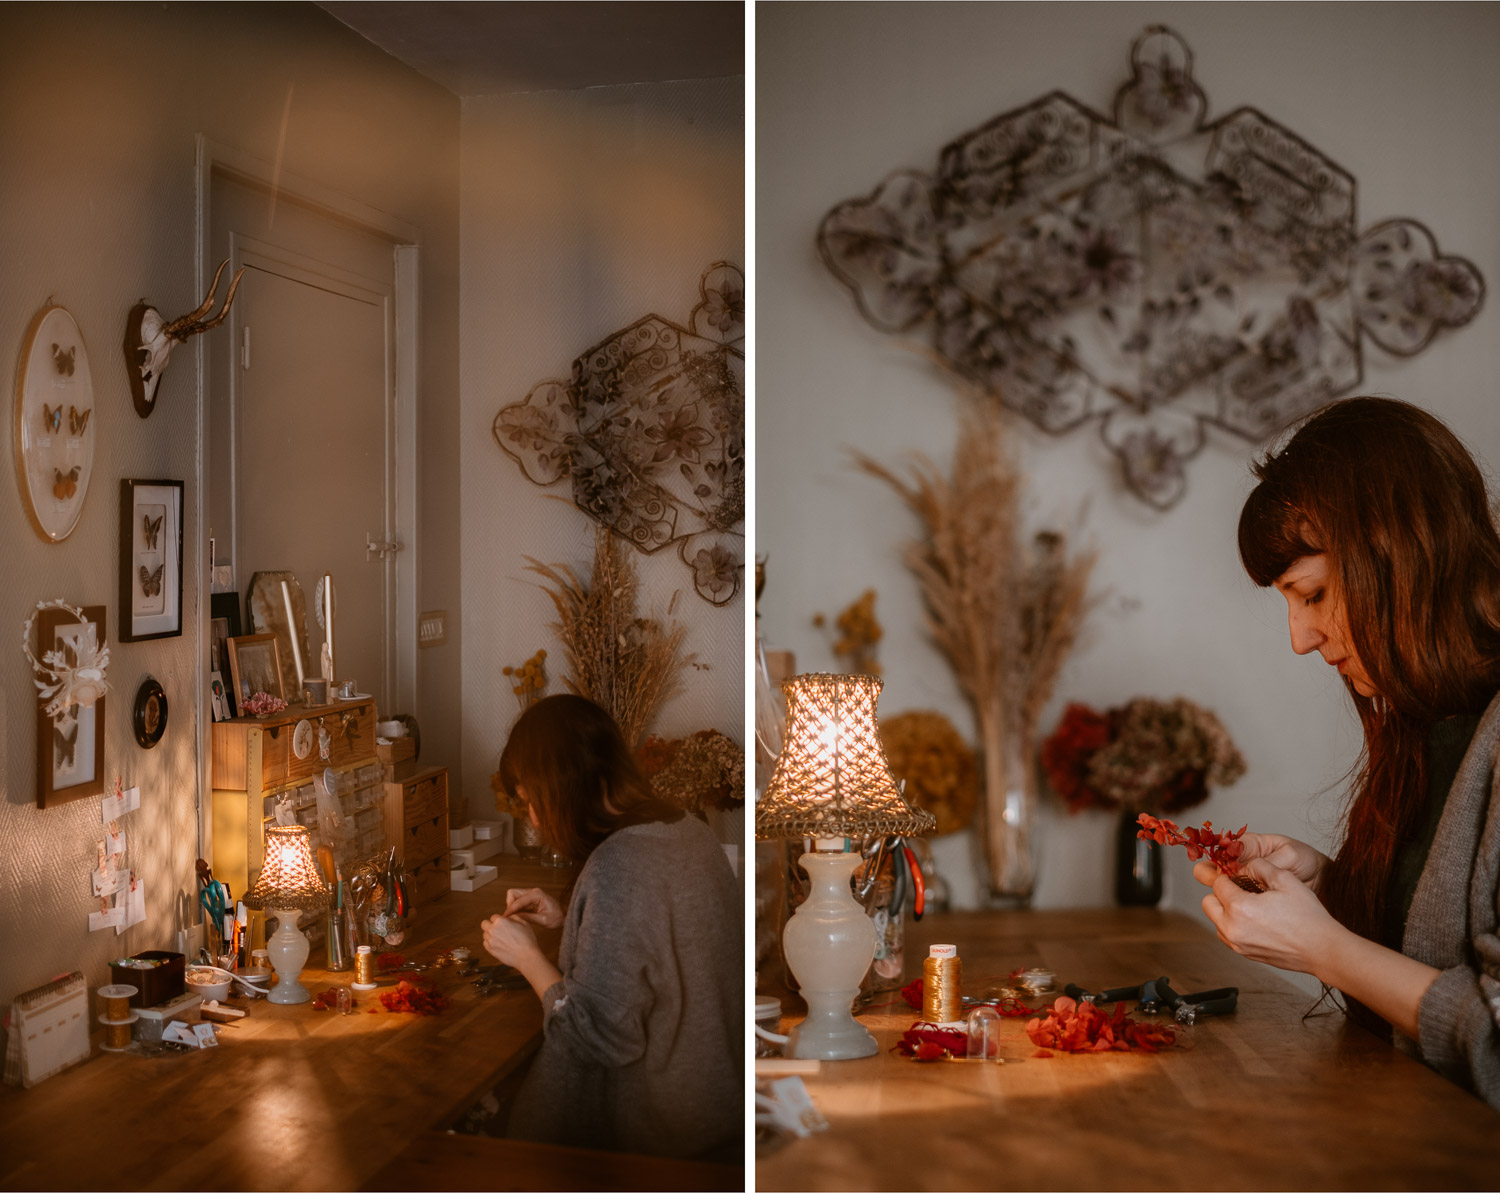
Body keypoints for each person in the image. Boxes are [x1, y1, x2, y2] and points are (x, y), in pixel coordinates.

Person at [1206, 395, 1500, 1109]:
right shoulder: (1432, 720)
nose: (1300, 638)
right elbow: (1440, 945)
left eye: (1315, 592)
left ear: (1399, 554)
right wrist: (1329, 888)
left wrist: (1322, 948)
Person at [479, 693, 742, 1158]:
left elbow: (598, 1037)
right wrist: (571, 918)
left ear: (559, 788)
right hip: (716, 1102)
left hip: (659, 1134)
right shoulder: (689, 830)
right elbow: (661, 943)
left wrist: (528, 958)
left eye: (531, 802)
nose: (535, 820)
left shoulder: (619, 865)